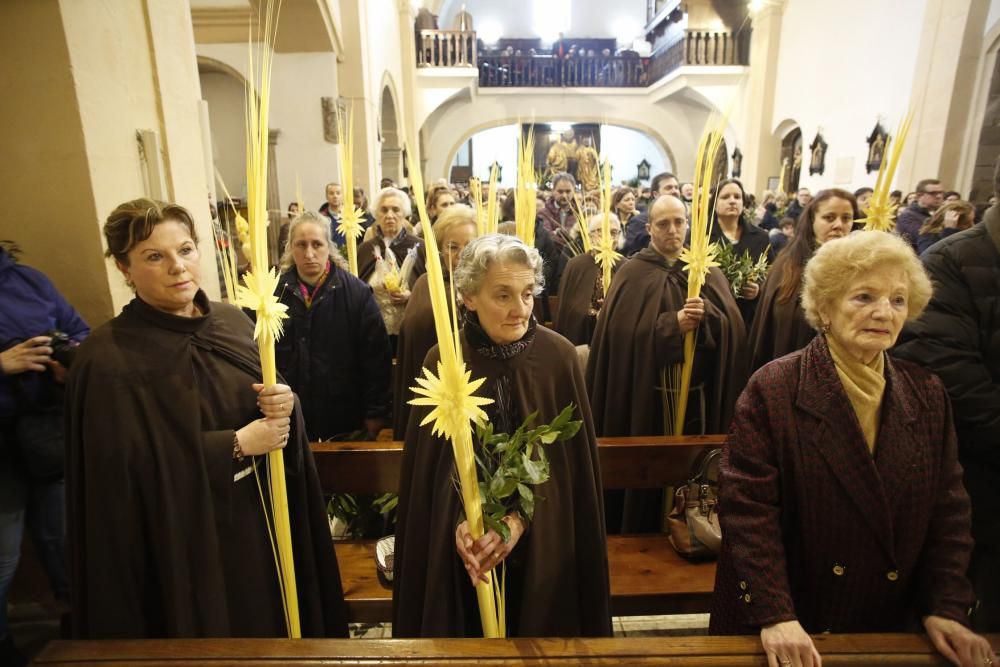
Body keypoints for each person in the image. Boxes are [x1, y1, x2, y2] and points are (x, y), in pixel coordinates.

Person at [711, 230, 997, 667]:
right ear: (825, 306)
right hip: (793, 618)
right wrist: (775, 613)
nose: (884, 312)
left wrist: (945, 608)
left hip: (887, 617)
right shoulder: (776, 387)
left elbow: (948, 511)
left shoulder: (926, 392)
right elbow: (749, 511)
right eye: (864, 296)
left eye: (898, 300)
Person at [66, 198, 348, 638]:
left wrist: (285, 402)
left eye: (185, 250)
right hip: (182, 543)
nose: (177, 267)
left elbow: (269, 412)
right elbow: (121, 477)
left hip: (257, 521)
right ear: (124, 268)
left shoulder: (230, 321)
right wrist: (234, 445)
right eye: (154, 257)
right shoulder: (106, 359)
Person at [392, 234, 612, 637]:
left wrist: (518, 521)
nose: (521, 310)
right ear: (469, 297)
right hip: (463, 556)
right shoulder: (444, 359)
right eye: (503, 296)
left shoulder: (558, 359)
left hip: (547, 544)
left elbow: (568, 473)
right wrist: (462, 523)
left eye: (528, 293)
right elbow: (430, 474)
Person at [586, 195, 748, 531]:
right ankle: (643, 528)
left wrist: (709, 318)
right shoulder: (633, 273)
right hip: (647, 400)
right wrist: (669, 326)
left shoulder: (707, 271)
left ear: (687, 224)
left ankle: (697, 529)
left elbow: (734, 328)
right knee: (649, 477)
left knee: (695, 470)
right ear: (648, 228)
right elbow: (618, 337)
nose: (672, 230)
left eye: (679, 222)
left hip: (697, 399)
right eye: (663, 224)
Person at [893, 172, 1000, 633]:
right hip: (981, 478)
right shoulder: (953, 260)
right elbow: (949, 372)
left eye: (894, 300)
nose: (881, 313)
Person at [1, 242, 88, 666]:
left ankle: (79, 637)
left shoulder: (28, 280)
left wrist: (67, 358)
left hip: (46, 431)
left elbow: (79, 330)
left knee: (65, 542)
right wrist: (2, 365)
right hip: (1, 449)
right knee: (4, 555)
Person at [273, 212, 391, 441]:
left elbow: (376, 358)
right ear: (290, 248)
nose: (309, 254)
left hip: (344, 418)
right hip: (289, 420)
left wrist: (376, 413)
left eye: (317, 244)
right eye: (301, 245)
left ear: (329, 246)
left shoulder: (356, 294)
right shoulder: (272, 295)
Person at [747, 189, 857, 372]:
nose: (839, 225)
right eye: (829, 218)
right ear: (812, 220)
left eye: (846, 218)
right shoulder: (789, 264)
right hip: (791, 361)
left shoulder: (861, 265)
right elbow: (774, 324)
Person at [393, 205, 478, 438]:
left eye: (469, 246)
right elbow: (411, 341)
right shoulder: (425, 284)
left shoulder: (486, 288)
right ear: (441, 250)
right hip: (430, 394)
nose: (461, 254)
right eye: (452, 246)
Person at [357, 187, 426, 340]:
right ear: (376, 214)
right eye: (384, 210)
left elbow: (431, 289)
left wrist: (411, 295)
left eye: (396, 209)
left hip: (411, 330)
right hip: (374, 330)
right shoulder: (364, 250)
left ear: (405, 214)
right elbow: (357, 291)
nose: (390, 215)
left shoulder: (420, 247)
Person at [707, 179, 773, 326]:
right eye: (725, 197)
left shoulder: (761, 236)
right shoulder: (701, 236)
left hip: (749, 316)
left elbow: (771, 274)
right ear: (714, 203)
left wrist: (758, 289)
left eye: (737, 197)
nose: (732, 201)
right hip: (714, 315)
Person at [553, 213, 624, 346]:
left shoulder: (626, 267)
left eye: (614, 232)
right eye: (600, 232)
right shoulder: (576, 266)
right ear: (590, 236)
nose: (608, 237)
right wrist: (593, 315)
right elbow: (569, 311)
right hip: (582, 340)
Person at [622, 172, 680, 256]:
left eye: (676, 187)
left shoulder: (686, 220)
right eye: (669, 188)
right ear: (656, 194)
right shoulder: (640, 221)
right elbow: (632, 254)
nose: (674, 191)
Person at [897, 179, 945, 251]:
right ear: (919, 196)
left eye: (941, 193)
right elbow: (922, 239)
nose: (939, 196)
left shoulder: (939, 213)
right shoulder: (908, 216)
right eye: (933, 193)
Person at [538, 173, 579, 248]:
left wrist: (559, 232)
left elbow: (581, 239)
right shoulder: (543, 213)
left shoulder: (580, 213)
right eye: (560, 192)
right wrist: (571, 235)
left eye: (568, 191)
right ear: (553, 191)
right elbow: (548, 238)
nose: (564, 195)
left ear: (573, 191)